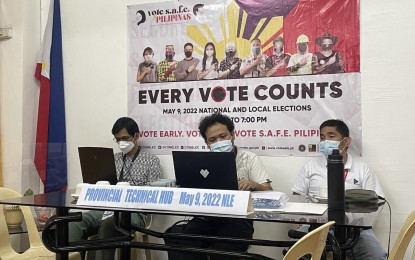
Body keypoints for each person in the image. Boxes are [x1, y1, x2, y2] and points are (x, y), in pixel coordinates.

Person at [167, 113, 272, 260]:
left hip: (238, 221)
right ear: (207, 143)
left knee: (223, 250)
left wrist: (254, 184)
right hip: (206, 219)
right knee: (179, 239)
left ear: (233, 135)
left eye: (223, 136)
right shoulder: (200, 162)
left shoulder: (249, 158)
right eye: (212, 139)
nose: (219, 141)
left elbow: (268, 189)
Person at [292, 119, 387, 260]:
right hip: (316, 226)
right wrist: (306, 217)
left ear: (346, 141)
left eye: (331, 136)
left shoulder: (362, 169)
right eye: (322, 137)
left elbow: (377, 200)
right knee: (293, 253)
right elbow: (297, 193)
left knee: (377, 256)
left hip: (354, 228)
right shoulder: (311, 166)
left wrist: (352, 218)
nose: (325, 142)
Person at [68, 117, 162, 260]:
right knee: (74, 221)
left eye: (125, 138)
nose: (121, 143)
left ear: (136, 136)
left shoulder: (151, 161)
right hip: (106, 208)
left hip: (134, 212)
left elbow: (154, 195)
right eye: (117, 139)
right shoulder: (113, 159)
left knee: (110, 223)